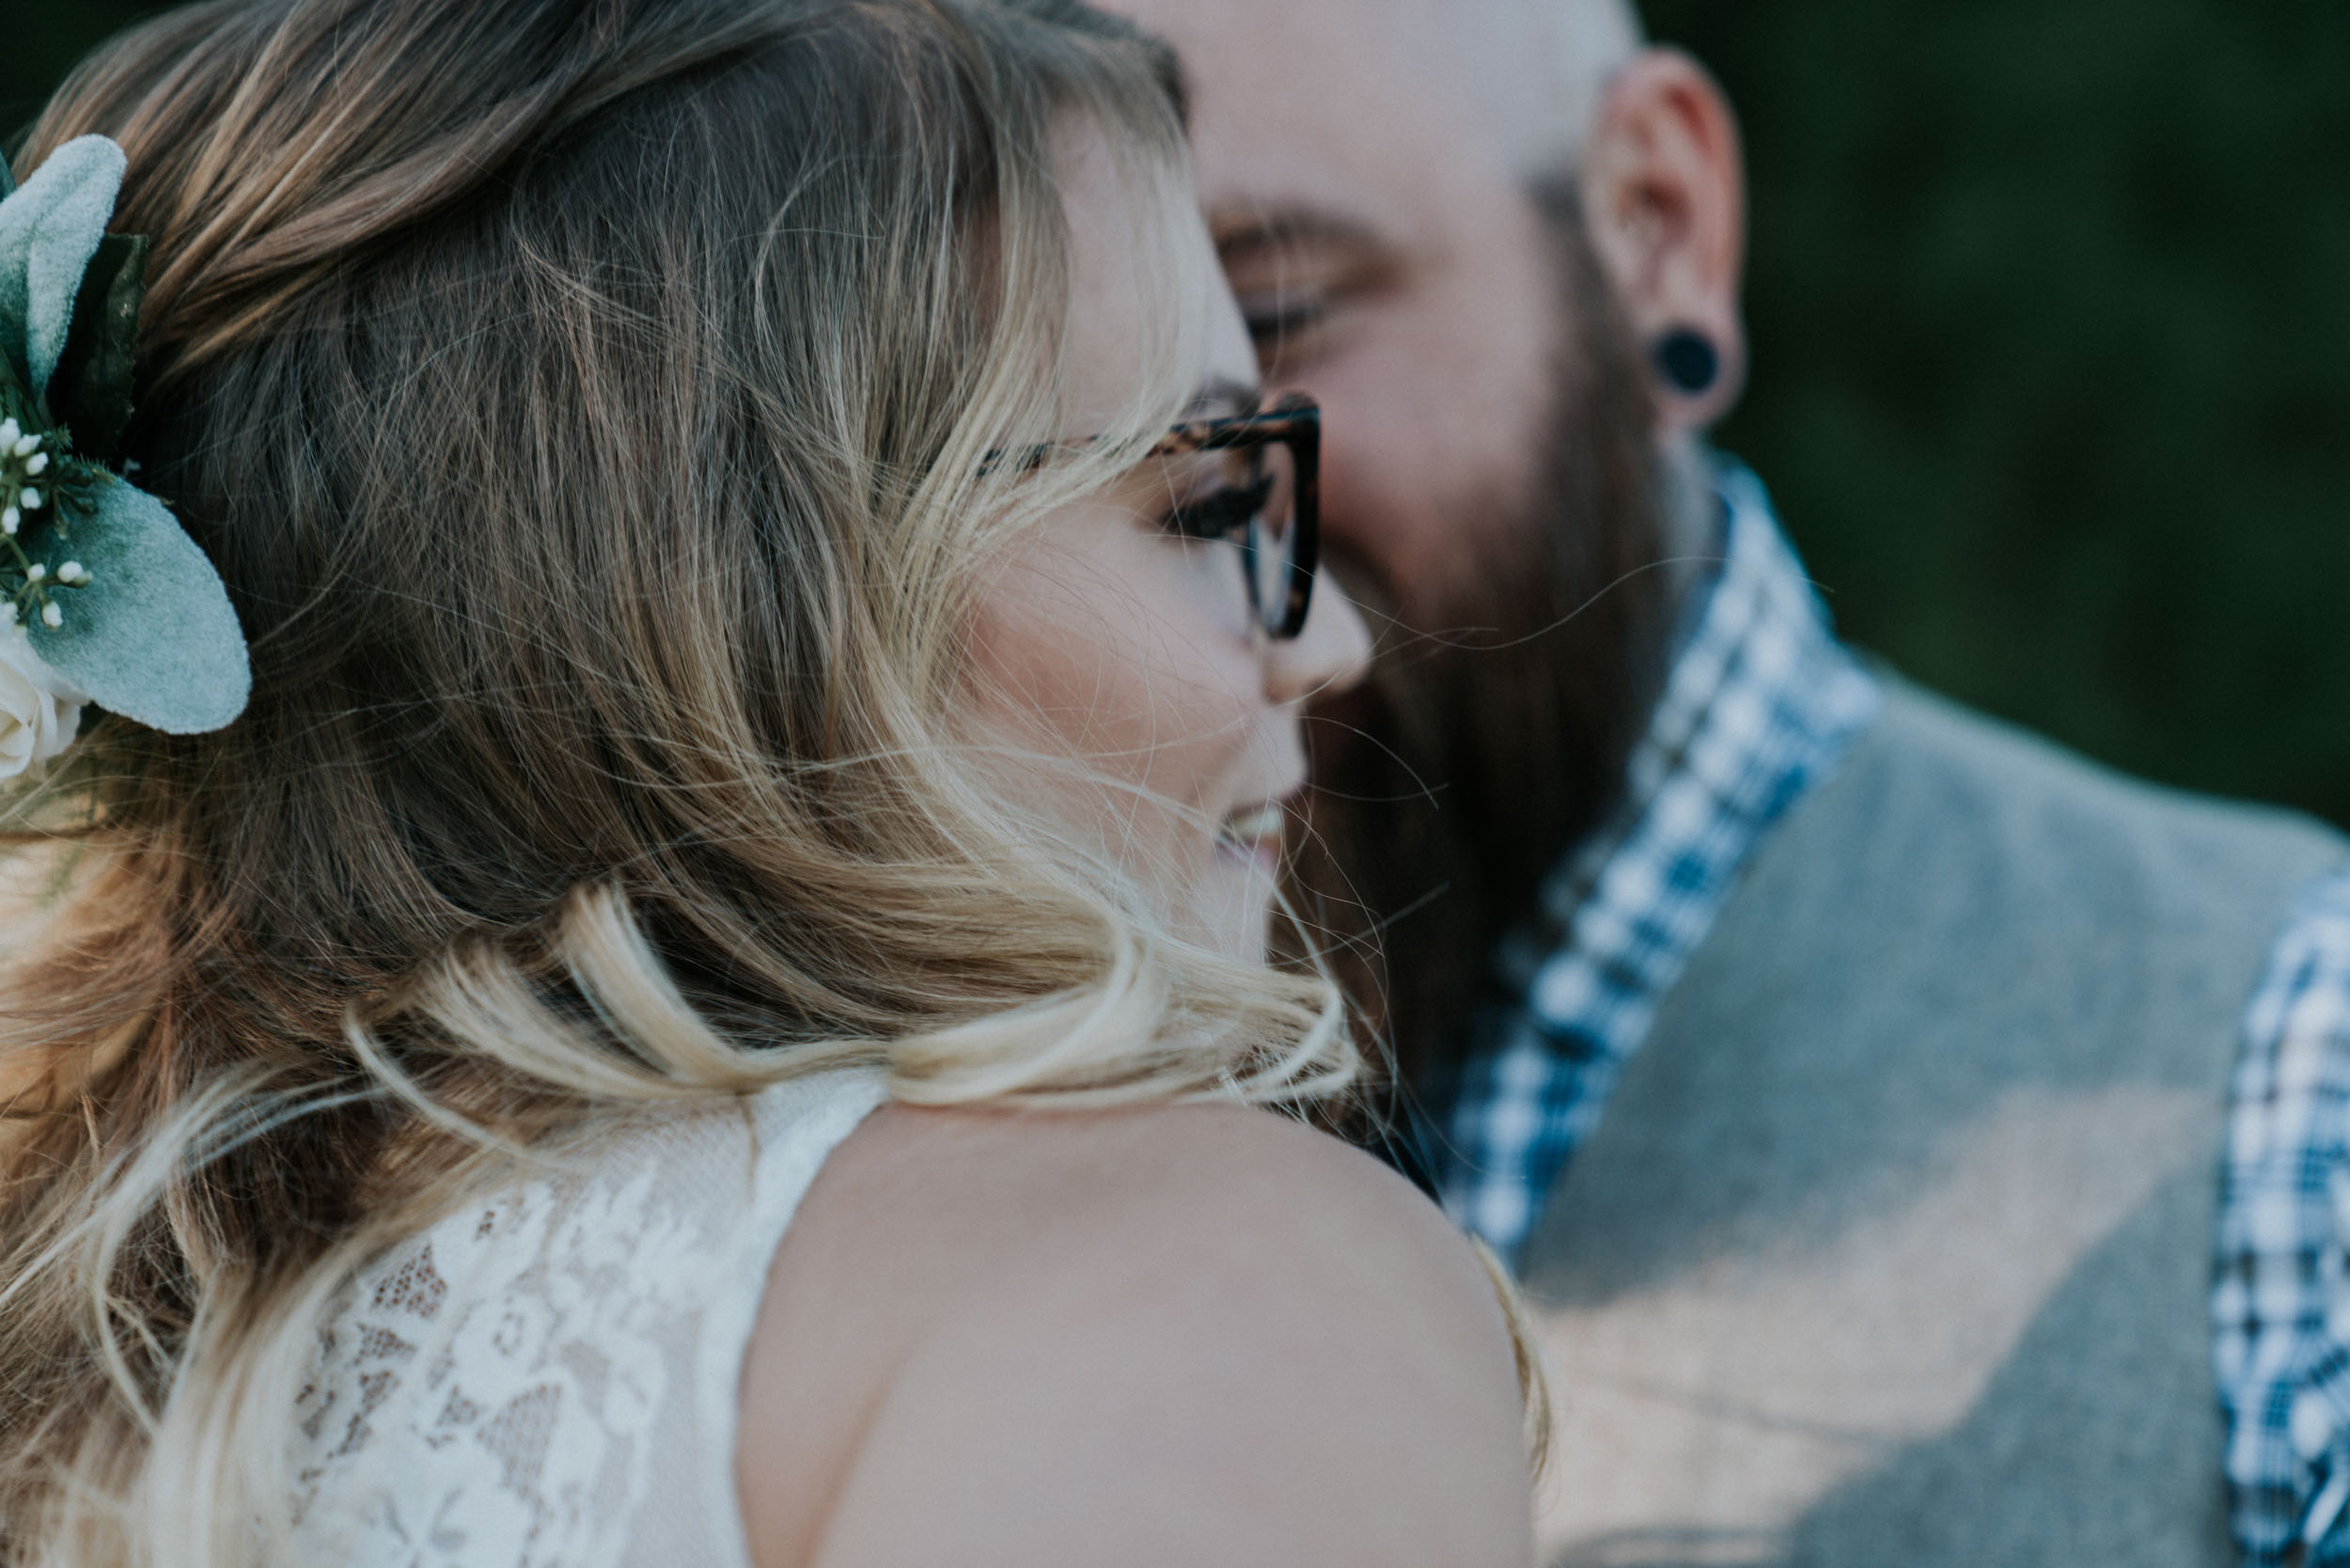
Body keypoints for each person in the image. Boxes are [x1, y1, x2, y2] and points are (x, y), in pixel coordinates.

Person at [0, 2, 1545, 1565]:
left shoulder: (88, 1364)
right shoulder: (1211, 1283)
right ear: (745, 609)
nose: (1327, 642)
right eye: (1212, 503)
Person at [1104, 0, 2350, 1562]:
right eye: (1046, 404)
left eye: (1274, 314)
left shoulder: (2296, 1074)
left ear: (1656, 230)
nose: (1197, 524)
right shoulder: (870, 1150)